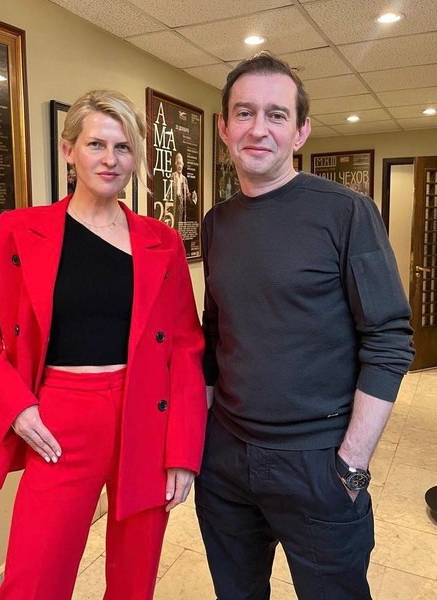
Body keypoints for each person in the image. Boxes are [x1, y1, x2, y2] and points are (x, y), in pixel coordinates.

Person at [0, 89, 207, 600]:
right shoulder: (19, 231)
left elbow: (185, 346)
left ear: (135, 158)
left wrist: (183, 450)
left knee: (134, 578)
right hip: (59, 417)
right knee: (34, 579)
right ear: (69, 150)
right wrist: (15, 407)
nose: (110, 159)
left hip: (146, 414)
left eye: (123, 147)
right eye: (96, 144)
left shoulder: (161, 240)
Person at [195, 51, 414, 600]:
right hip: (226, 459)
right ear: (223, 128)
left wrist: (352, 463)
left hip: (318, 462)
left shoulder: (347, 212)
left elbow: (389, 339)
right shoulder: (217, 223)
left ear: (300, 131)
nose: (258, 129)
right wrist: (203, 442)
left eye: (276, 114)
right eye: (244, 113)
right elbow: (214, 332)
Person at [167, 152, 197, 228]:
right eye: (178, 163)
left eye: (180, 163)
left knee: (180, 227)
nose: (179, 166)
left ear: (183, 164)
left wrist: (193, 198)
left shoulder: (184, 179)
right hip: (174, 205)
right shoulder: (172, 176)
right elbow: (168, 192)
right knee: (173, 226)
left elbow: (187, 195)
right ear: (175, 164)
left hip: (181, 207)